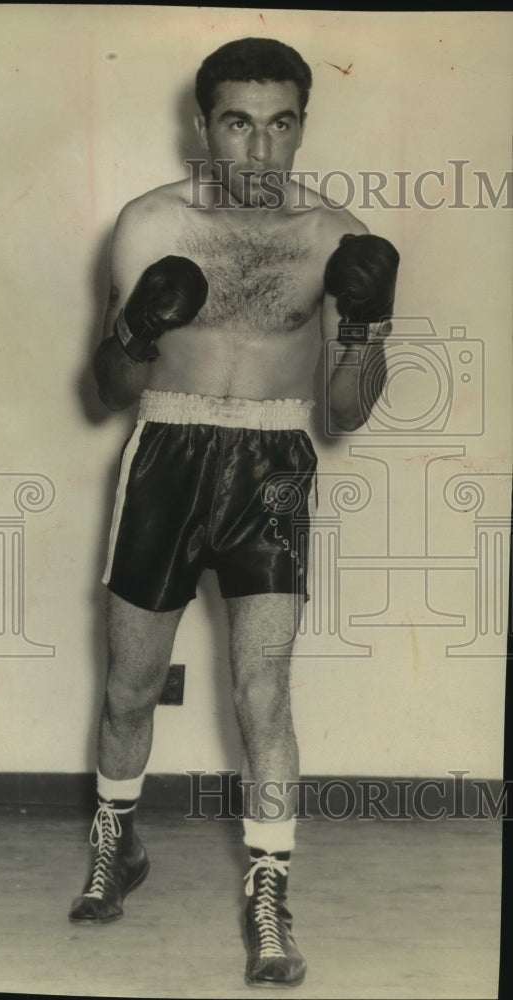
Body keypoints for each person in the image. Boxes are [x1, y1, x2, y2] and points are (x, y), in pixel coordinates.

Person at [70, 37, 398, 989]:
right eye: (238, 124)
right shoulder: (149, 224)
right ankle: (116, 844)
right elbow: (103, 391)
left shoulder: (335, 236)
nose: (259, 150)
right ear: (203, 125)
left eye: (280, 125)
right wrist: (138, 329)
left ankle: (268, 896)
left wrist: (364, 330)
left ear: (302, 126)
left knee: (264, 691)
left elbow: (344, 414)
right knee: (130, 688)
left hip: (273, 463)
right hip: (165, 453)